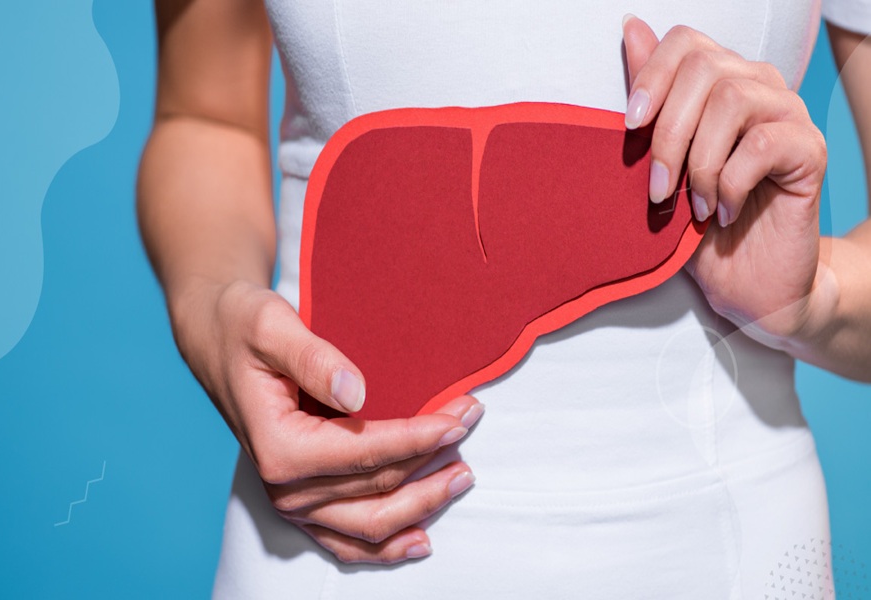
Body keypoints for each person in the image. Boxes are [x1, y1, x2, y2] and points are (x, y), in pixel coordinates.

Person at [136, 0, 871, 597]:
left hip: (729, 553)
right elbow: (203, 117)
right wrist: (210, 310)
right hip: (336, 538)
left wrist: (812, 298)